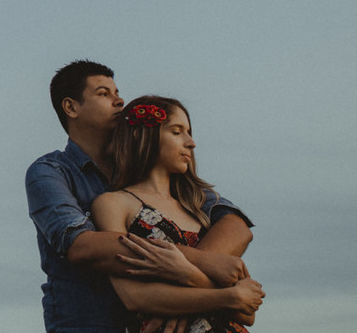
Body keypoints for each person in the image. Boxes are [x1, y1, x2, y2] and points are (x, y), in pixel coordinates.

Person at [25, 61, 254, 333]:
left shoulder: (157, 172)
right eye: (103, 93)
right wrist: (198, 265)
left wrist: (182, 295)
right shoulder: (51, 172)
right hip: (88, 324)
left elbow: (234, 225)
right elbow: (82, 246)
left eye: (117, 91)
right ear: (71, 107)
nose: (119, 100)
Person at [91, 97, 265, 333]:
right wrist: (226, 297)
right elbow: (134, 297)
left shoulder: (197, 208)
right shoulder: (113, 203)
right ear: (141, 136)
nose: (191, 143)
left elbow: (247, 312)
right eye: (177, 132)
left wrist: (189, 275)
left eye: (189, 132)